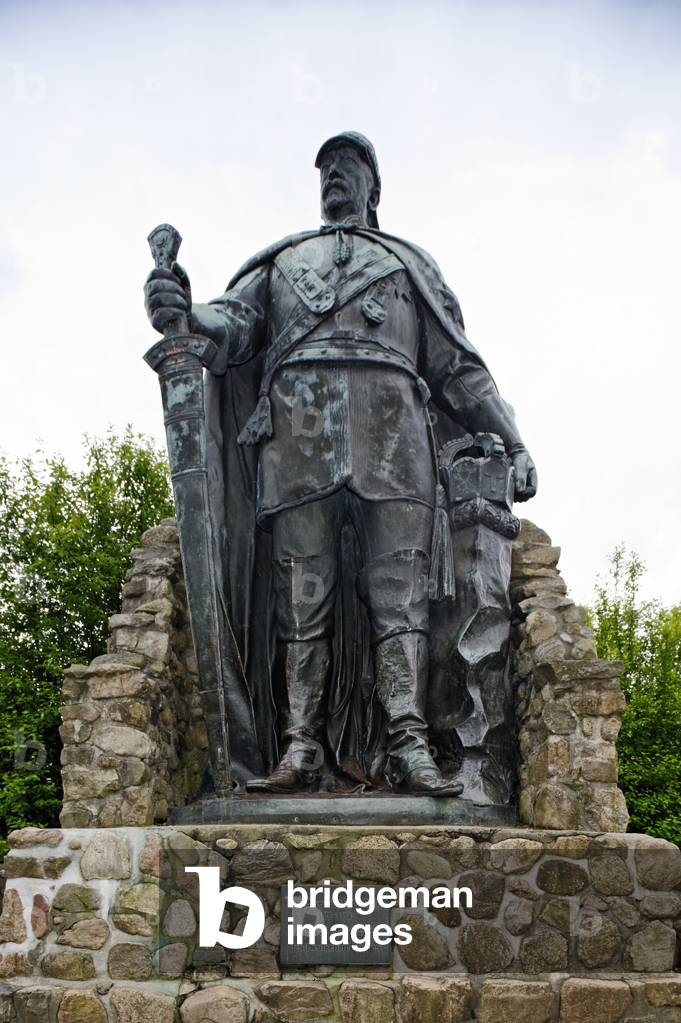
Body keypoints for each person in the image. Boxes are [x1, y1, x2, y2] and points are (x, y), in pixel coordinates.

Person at [144, 132, 537, 798]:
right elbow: (234, 326)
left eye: (346, 167)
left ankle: (410, 745)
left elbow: (456, 368)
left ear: (371, 186)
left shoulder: (410, 264)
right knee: (301, 601)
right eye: (324, 167)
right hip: (297, 440)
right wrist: (187, 313)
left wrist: (513, 440)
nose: (332, 176)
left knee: (401, 602)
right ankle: (299, 747)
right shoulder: (283, 260)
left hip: (396, 441)